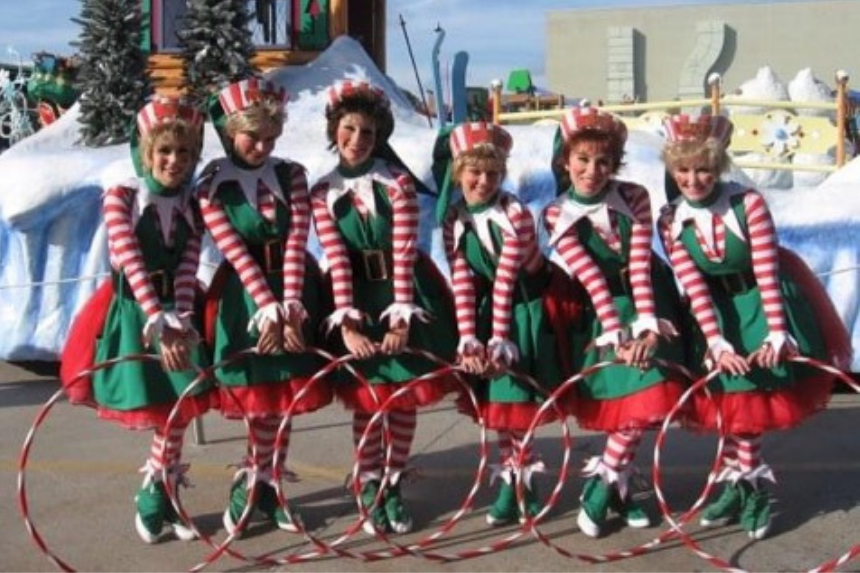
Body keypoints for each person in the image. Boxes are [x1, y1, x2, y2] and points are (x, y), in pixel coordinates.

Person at [657, 113, 851, 540]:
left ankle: (751, 487)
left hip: (762, 302)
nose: (694, 179)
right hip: (715, 312)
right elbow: (693, 284)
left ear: (719, 165)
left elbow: (766, 270)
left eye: (704, 168)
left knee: (749, 406)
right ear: (672, 169)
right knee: (729, 403)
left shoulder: (748, 204)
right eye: (684, 170)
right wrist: (715, 341)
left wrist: (776, 331)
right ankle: (738, 483)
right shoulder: (670, 220)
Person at [59, 96, 216, 543]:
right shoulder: (123, 194)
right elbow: (128, 259)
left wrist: (182, 320)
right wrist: (159, 322)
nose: (174, 161)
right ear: (147, 152)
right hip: (136, 312)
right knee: (163, 410)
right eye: (165, 151)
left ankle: (161, 492)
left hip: (175, 308)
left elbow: (188, 263)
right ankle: (154, 493)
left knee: (179, 409)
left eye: (183, 153)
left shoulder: (191, 202)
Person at [310, 80, 458, 535]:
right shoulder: (321, 193)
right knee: (369, 400)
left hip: (404, 289)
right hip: (354, 295)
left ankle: (394, 478)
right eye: (349, 129)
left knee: (404, 397)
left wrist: (400, 317)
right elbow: (336, 258)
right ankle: (369, 480)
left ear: (380, 138)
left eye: (368, 133)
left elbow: (404, 248)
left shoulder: (396, 185)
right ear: (335, 130)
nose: (357, 141)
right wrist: (349, 326)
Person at [542, 105, 687, 538]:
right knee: (626, 406)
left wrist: (646, 326)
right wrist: (619, 336)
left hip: (649, 301)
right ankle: (619, 487)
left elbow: (640, 265)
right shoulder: (555, 214)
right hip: (601, 312)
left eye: (603, 161)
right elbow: (591, 280)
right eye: (582, 160)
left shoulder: (635, 196)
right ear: (565, 162)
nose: (593, 170)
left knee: (646, 401)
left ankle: (605, 482)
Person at [197, 77, 332, 535]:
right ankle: (250, 481)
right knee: (260, 400)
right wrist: (268, 308)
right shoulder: (212, 185)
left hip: (293, 286)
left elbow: (297, 239)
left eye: (270, 138)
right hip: (244, 296)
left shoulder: (291, 174)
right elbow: (232, 249)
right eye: (253, 136)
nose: (262, 146)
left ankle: (271, 485)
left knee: (285, 397)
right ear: (231, 130)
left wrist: (291, 305)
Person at [440, 121, 563, 527]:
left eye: (493, 173)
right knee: (498, 405)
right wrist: (468, 338)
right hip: (488, 306)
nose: (483, 181)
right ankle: (514, 478)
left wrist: (498, 338)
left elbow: (508, 279)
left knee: (514, 402)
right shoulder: (453, 217)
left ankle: (522, 482)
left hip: (523, 309)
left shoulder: (515, 213)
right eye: (475, 172)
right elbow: (462, 278)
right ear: (459, 172)